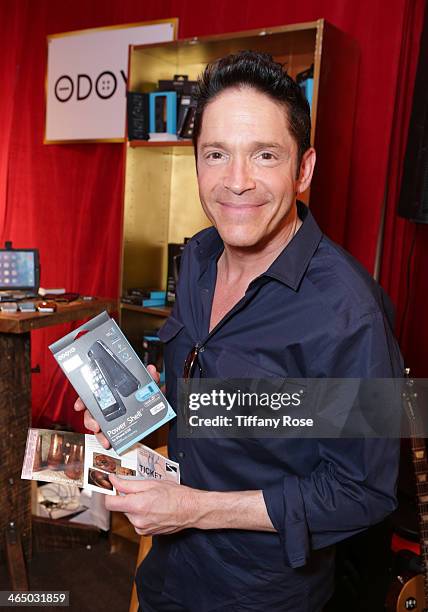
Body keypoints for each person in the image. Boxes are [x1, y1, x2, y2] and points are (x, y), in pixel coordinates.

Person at [75, 51, 402, 611]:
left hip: (260, 595)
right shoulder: (198, 259)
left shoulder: (351, 313)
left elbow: (364, 492)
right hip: (167, 577)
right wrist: (139, 413)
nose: (237, 182)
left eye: (265, 155)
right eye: (217, 154)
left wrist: (196, 507)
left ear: (304, 169)